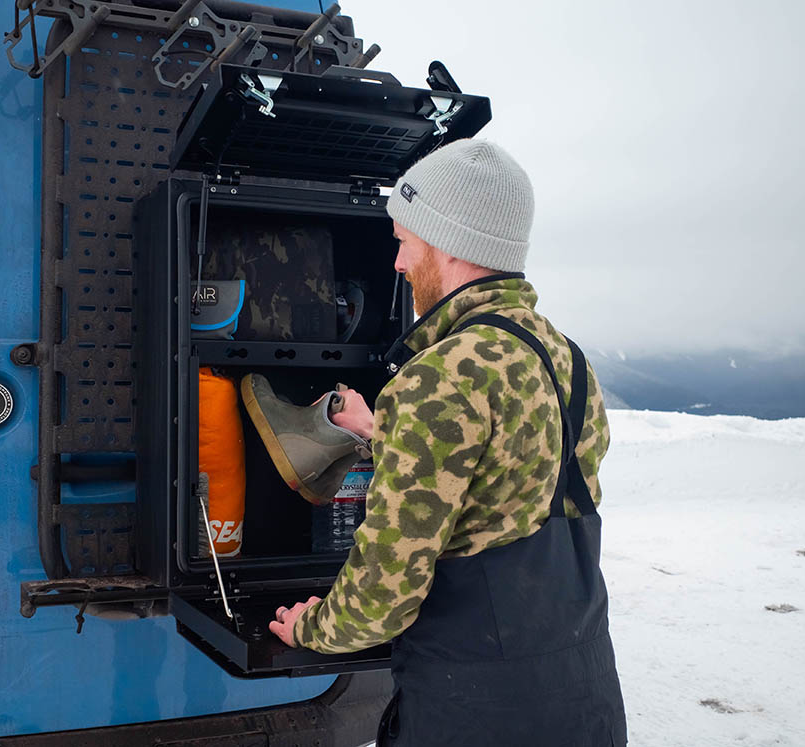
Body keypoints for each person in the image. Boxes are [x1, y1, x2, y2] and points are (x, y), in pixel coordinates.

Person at [268, 139, 627, 745]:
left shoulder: (437, 377)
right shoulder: (566, 358)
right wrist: (384, 436)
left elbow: (384, 594)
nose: (399, 264)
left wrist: (312, 627)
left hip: (480, 713)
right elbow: (513, 495)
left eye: (405, 242)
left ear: (449, 245)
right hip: (582, 694)